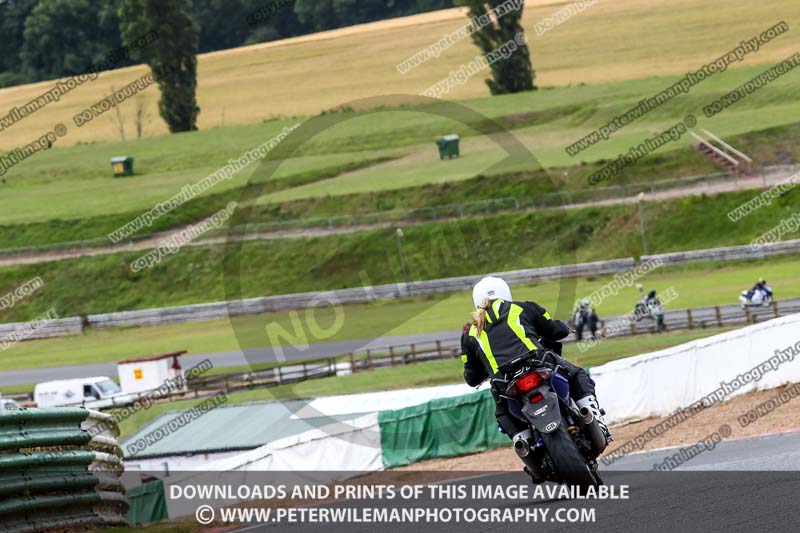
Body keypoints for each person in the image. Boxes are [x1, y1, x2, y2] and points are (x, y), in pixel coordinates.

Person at [459, 276, 611, 449]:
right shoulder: (523, 307)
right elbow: (554, 329)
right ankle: (597, 420)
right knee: (577, 374)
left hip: (506, 382)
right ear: (506, 293)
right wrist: (565, 329)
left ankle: (524, 444)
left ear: (476, 301)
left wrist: (485, 370)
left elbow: (471, 377)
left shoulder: (469, 333)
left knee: (502, 414)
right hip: (538, 365)